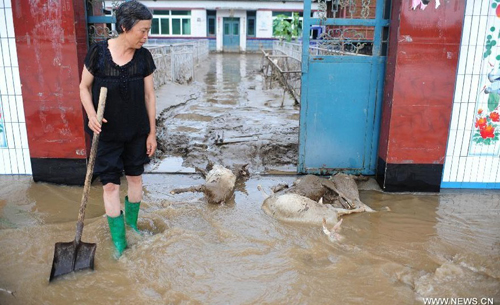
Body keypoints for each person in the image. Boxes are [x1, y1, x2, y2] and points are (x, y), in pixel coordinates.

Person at [79, 1, 157, 258]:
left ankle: (132, 226)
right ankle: (120, 245)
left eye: (148, 30)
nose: (146, 36)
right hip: (106, 135)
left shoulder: (144, 57)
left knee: (135, 178)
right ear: (124, 27)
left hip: (137, 132)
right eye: (142, 30)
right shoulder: (98, 53)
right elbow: (83, 87)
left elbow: (149, 95)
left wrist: (152, 133)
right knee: (110, 186)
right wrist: (91, 115)